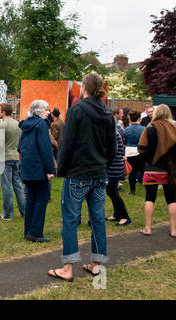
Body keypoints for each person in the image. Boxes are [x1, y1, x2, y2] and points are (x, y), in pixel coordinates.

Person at [47, 73, 117, 282]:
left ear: (84, 88)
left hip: (78, 174)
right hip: (98, 174)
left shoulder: (77, 111)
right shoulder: (108, 113)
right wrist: (104, 165)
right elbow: (112, 147)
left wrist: (63, 170)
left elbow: (66, 145)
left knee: (70, 219)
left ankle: (67, 268)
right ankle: (96, 264)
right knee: (97, 220)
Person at [18, 100, 55, 242]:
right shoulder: (41, 125)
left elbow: (20, 146)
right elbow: (45, 149)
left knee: (32, 198)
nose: (48, 112)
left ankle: (28, 230)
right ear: (39, 111)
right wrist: (49, 169)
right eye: (46, 110)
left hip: (27, 167)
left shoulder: (27, 124)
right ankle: (35, 232)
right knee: (42, 198)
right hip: (38, 168)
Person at [137, 104, 176, 238]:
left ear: (156, 113)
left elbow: (141, 148)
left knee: (150, 198)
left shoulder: (149, 130)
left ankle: (148, 228)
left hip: (152, 170)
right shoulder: (175, 129)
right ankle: (174, 230)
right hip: (170, 171)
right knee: (172, 200)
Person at [0, 103, 26, 220]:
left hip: (5, 158)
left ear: (4, 112)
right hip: (15, 156)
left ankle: (8, 214)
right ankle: (24, 212)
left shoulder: (2, 125)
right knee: (17, 185)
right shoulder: (18, 124)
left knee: (6, 186)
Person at [105, 130, 131, 226]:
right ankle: (117, 214)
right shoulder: (113, 132)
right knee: (111, 191)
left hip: (113, 167)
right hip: (114, 166)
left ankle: (124, 216)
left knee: (112, 192)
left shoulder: (111, 133)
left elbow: (110, 151)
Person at [124, 110, 145, 195]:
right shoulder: (144, 129)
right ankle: (148, 189)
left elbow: (124, 141)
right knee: (142, 170)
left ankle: (132, 191)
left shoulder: (126, 130)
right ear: (139, 118)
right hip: (141, 151)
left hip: (129, 152)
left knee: (132, 172)